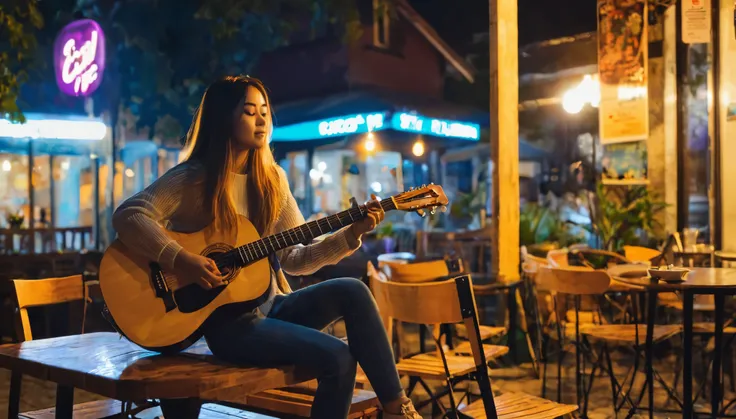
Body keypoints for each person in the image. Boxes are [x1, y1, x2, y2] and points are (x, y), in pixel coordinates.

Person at [111, 75, 421, 419]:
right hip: (229, 326)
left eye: (264, 111)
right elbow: (129, 215)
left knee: (354, 291)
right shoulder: (193, 179)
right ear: (223, 118)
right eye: (249, 111)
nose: (261, 119)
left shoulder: (272, 180)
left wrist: (350, 235)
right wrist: (181, 260)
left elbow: (296, 259)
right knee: (338, 358)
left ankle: (398, 410)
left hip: (273, 307)